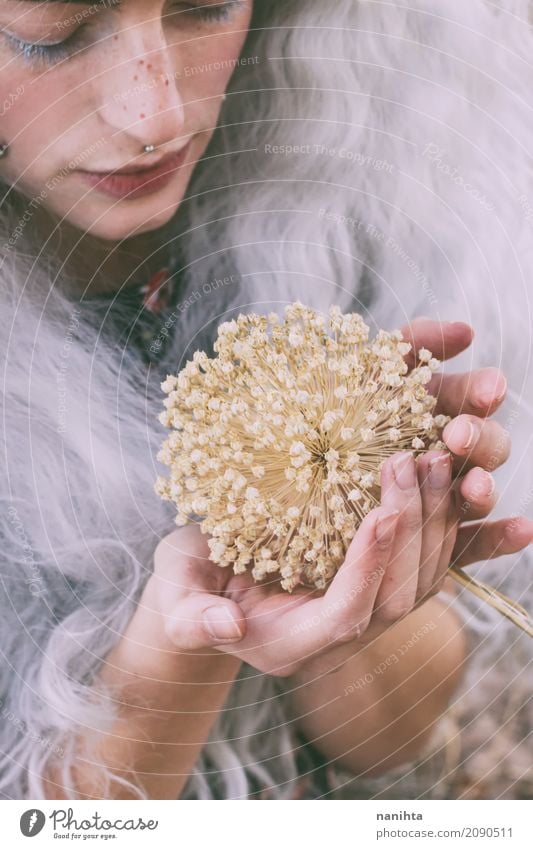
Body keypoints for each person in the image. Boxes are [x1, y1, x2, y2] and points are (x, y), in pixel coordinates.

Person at [0, 0, 531, 801]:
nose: (156, 114)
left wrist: (349, 566)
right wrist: (184, 646)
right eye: (50, 36)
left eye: (206, 7)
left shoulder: (338, 223)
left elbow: (395, 742)